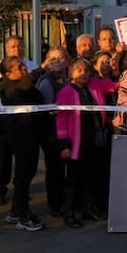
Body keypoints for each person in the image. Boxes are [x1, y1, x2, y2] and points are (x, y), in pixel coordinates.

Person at [56, 58, 117, 227]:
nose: (83, 73)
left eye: (86, 70)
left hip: (94, 139)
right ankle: (68, 213)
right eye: (79, 70)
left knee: (91, 176)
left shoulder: (95, 84)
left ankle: (88, 208)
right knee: (73, 178)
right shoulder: (66, 92)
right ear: (72, 73)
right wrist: (64, 145)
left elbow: (114, 85)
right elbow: (61, 120)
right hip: (76, 143)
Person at [0, 35, 37, 206]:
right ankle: (0, 187)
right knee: (4, 156)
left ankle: (21, 189)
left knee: (25, 159)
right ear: (7, 48)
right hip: (5, 119)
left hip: (26, 120)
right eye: (13, 46)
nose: (17, 49)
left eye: (20, 45)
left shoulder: (32, 66)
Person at [0, 56, 47, 231]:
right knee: (24, 174)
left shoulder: (21, 85)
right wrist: (43, 67)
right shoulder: (10, 88)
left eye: (24, 66)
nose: (24, 69)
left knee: (25, 173)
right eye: (20, 68)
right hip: (21, 136)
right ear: (9, 74)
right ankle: (24, 215)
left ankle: (16, 209)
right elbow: (26, 85)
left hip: (31, 135)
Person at [35, 46, 71, 217]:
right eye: (53, 58)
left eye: (61, 58)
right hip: (52, 134)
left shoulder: (72, 78)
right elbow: (44, 108)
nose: (57, 61)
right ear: (47, 62)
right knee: (55, 169)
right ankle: (55, 204)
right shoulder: (46, 81)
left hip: (70, 131)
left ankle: (68, 200)